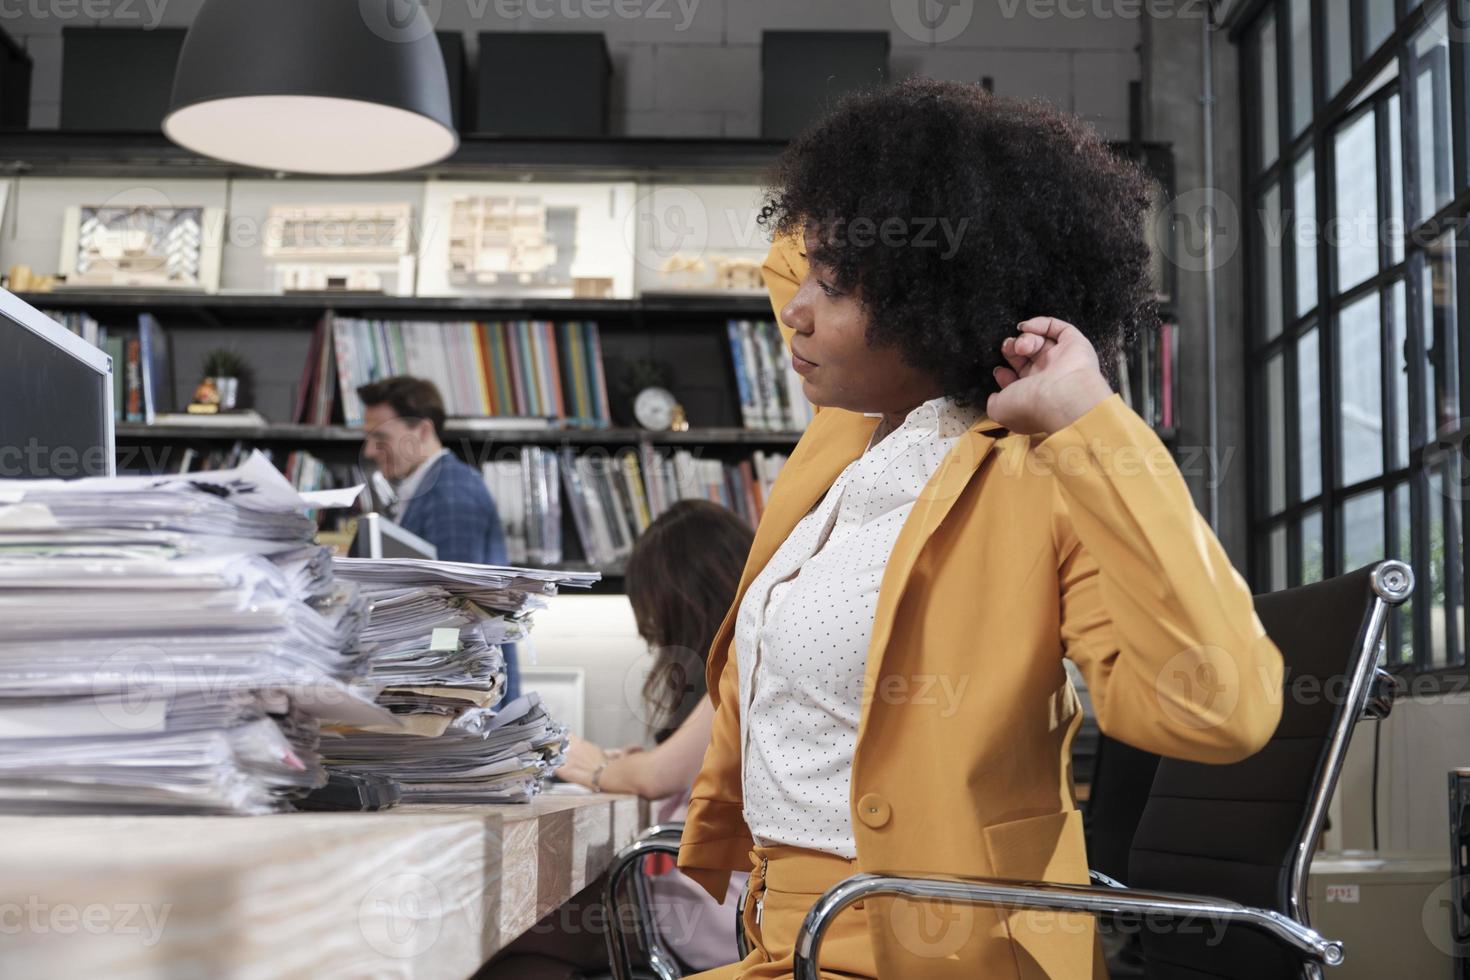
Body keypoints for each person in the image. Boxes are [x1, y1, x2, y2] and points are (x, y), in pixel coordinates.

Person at [676, 78, 1287, 979]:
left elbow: (1218, 709)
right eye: (806, 273)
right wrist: (896, 189)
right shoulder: (853, 427)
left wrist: (1093, 421)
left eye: (832, 286)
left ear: (934, 307)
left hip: (928, 952)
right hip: (777, 940)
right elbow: (806, 254)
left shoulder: (1040, 473)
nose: (793, 309)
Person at [480, 500, 754, 978]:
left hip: (713, 918)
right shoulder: (744, 663)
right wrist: (624, 765)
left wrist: (593, 766)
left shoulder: (742, 663)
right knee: (520, 933)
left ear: (680, 600)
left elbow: (654, 777)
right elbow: (677, 768)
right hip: (713, 903)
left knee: (502, 941)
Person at [357, 375, 518, 703]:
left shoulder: (450, 491)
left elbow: (457, 610)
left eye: (381, 437)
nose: (370, 450)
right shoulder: (430, 487)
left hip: (461, 695)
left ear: (423, 431)